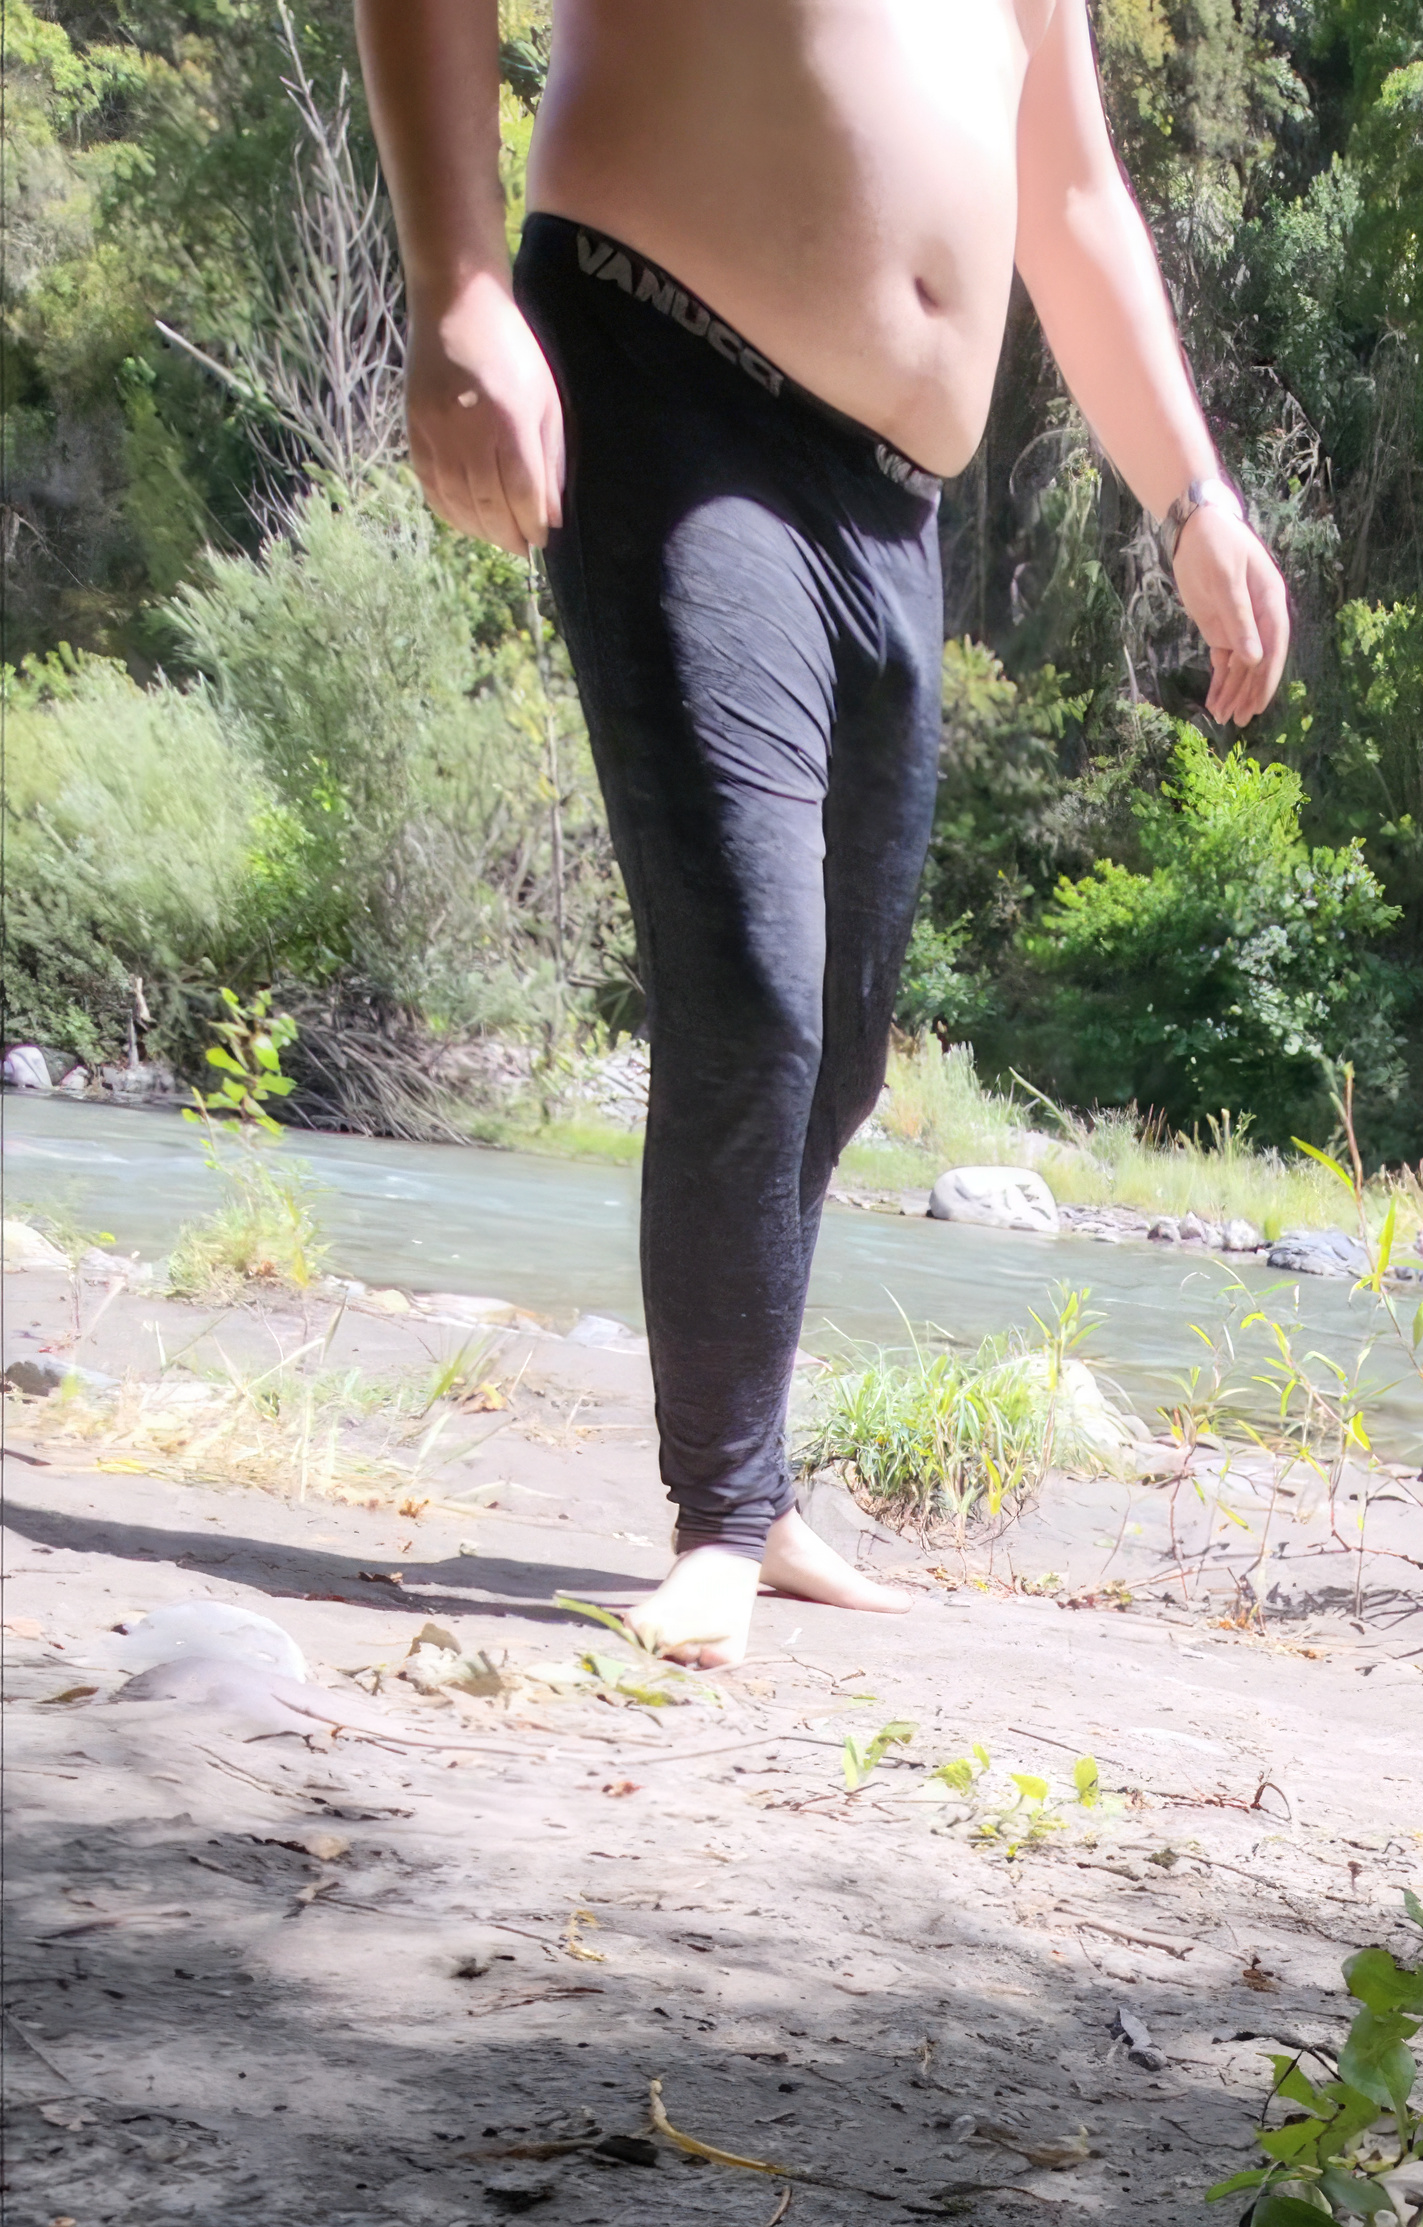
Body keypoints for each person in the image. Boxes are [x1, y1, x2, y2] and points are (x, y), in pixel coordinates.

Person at [357, 0, 1291, 1668]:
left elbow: (1072, 200)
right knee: (756, 986)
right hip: (667, 375)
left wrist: (1194, 498)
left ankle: (759, 1494)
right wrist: (460, 284)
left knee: (845, 1039)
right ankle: (716, 1518)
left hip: (893, 511)